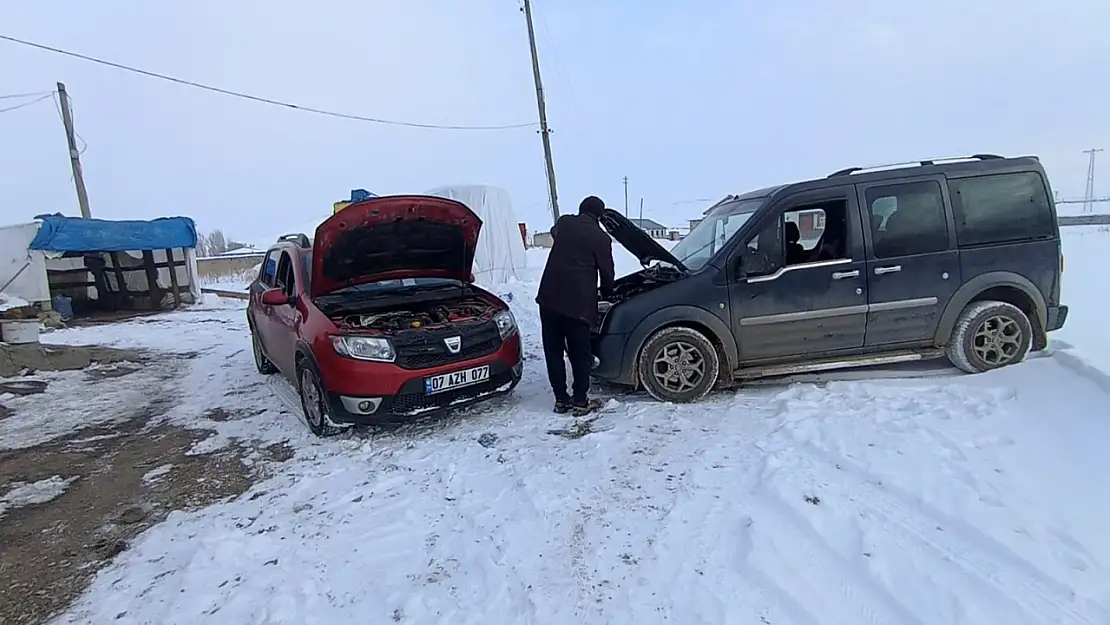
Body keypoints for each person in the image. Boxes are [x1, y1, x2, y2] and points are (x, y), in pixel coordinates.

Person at [536, 196, 615, 416]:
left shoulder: (565, 223)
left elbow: (555, 232)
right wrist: (609, 293)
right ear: (599, 216)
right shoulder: (600, 238)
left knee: (553, 351)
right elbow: (607, 272)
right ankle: (580, 400)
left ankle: (561, 400)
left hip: (549, 299)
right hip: (577, 305)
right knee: (580, 353)